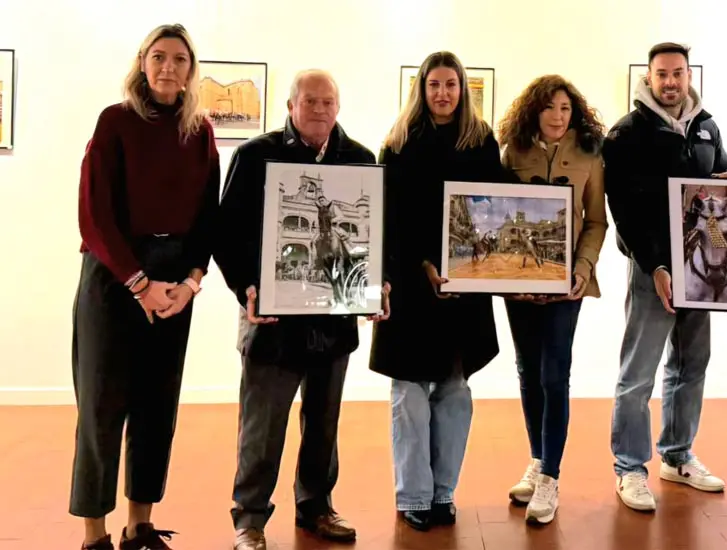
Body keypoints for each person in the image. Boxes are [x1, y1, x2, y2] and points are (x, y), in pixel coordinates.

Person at [212, 69, 386, 550]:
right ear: (291, 106)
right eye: (310, 102)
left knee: (323, 422)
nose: (321, 110)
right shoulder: (254, 156)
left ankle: (316, 507)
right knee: (263, 424)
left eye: (329, 101)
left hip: (334, 319)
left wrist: (376, 284)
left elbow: (372, 238)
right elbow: (226, 235)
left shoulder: (360, 160)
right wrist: (247, 288)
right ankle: (249, 518)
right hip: (271, 319)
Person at [70, 23, 220, 550]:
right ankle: (95, 536)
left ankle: (140, 526)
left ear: (191, 69)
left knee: (158, 408)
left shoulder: (199, 131)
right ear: (142, 62)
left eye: (180, 59)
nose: (168, 67)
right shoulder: (114, 123)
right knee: (102, 408)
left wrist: (191, 281)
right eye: (159, 57)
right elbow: (95, 216)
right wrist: (139, 283)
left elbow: (207, 218)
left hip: (175, 280)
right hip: (114, 278)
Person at [369, 50, 509, 531]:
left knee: (454, 391)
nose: (443, 94)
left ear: (462, 88)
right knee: (408, 393)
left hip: (465, 288)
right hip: (410, 285)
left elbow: (498, 207)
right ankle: (413, 495)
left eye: (451, 85)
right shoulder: (398, 141)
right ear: (421, 89)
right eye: (434, 85)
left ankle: (444, 493)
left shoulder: (482, 140)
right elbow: (388, 217)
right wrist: (423, 263)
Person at [602, 41, 727, 511]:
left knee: (691, 366)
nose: (671, 82)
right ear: (649, 77)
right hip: (651, 271)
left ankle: (676, 457)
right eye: (663, 74)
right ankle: (630, 468)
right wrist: (655, 265)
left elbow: (722, 179)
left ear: (689, 75)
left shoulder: (706, 127)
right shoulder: (626, 134)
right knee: (638, 375)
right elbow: (625, 211)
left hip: (702, 271)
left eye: (678, 73)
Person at [494, 74, 608, 524]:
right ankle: (538, 459)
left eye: (564, 108)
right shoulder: (513, 152)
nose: (558, 117)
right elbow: (497, 209)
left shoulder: (590, 154)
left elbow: (597, 221)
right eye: (549, 109)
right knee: (527, 370)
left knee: (554, 373)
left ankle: (551, 479)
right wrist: (504, 277)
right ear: (533, 112)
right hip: (518, 285)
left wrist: (583, 269)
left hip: (567, 286)